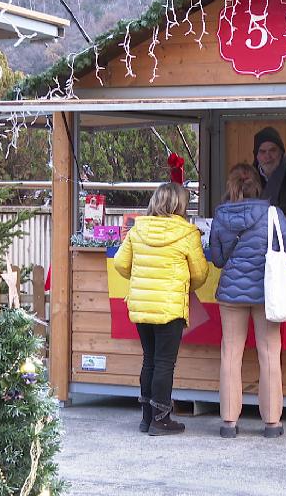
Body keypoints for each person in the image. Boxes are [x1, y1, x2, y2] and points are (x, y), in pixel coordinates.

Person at [209, 163, 286, 438]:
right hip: (265, 293)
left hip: (231, 294)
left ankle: (228, 422)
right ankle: (272, 423)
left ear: (231, 185)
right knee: (270, 354)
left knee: (230, 355)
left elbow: (217, 259)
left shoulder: (220, 215)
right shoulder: (273, 214)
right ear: (258, 185)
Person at [113, 182, 208, 436]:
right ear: (180, 205)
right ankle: (161, 419)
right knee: (165, 363)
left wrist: (142, 276)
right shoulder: (187, 234)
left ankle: (146, 418)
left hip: (141, 306)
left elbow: (121, 265)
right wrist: (182, 281)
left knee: (149, 360)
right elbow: (200, 274)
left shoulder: (137, 229)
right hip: (170, 307)